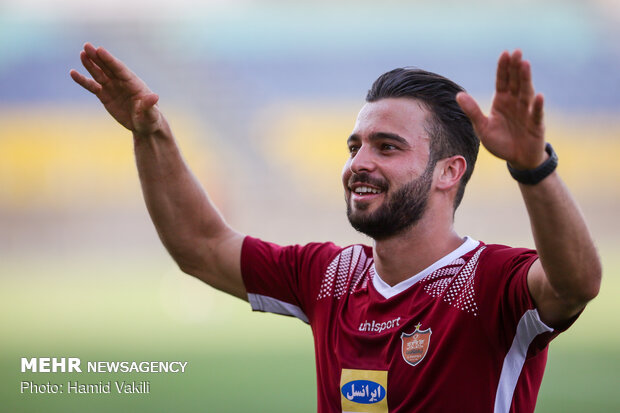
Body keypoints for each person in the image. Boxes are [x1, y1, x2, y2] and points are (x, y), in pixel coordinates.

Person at [71, 43, 601, 413]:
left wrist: (533, 168)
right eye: (355, 146)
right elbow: (201, 246)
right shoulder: (330, 275)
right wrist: (151, 131)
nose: (358, 163)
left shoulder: (491, 281)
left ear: (449, 171)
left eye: (386, 146)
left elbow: (575, 283)